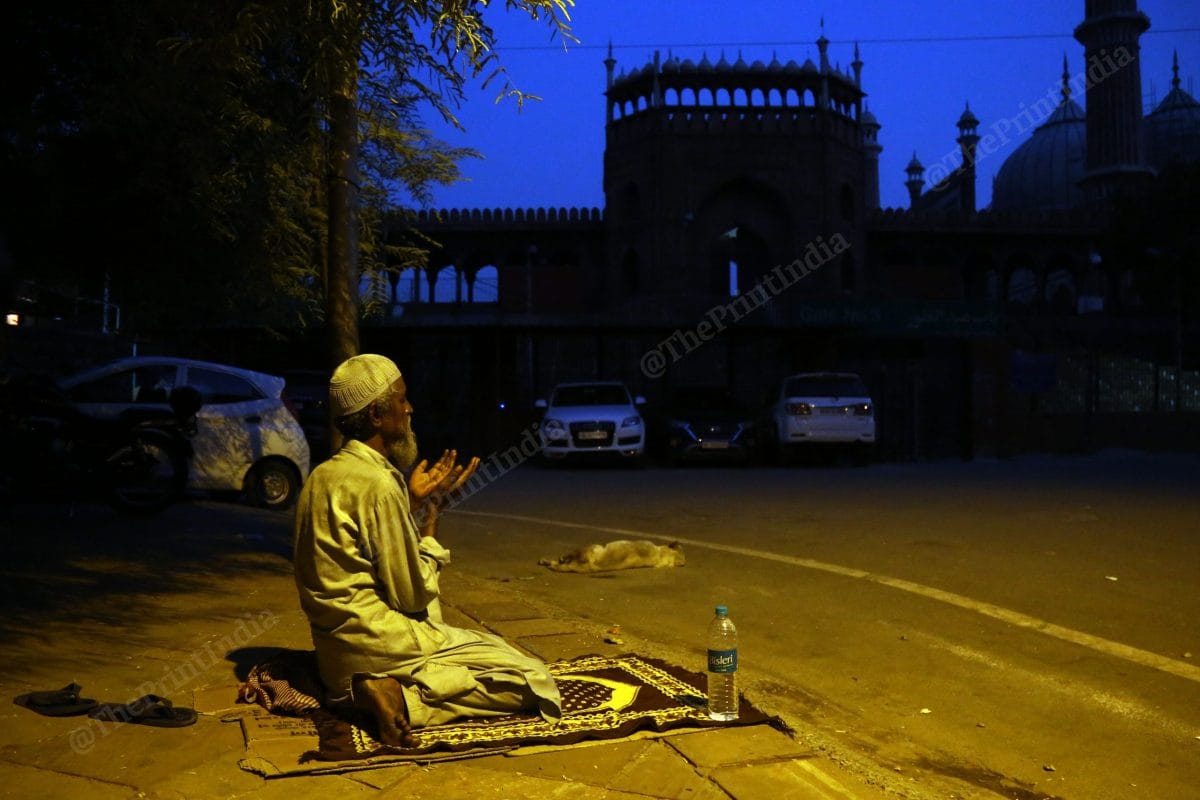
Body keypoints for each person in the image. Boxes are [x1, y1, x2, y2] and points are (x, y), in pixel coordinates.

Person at [293, 354, 561, 747]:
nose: (409, 408)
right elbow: (413, 594)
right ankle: (401, 698)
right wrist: (431, 519)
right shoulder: (378, 485)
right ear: (376, 416)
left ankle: (374, 687)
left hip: (335, 656)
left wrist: (410, 509)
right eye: (401, 400)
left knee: (483, 649)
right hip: (381, 645)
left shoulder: (321, 476)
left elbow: (363, 557)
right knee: (531, 681)